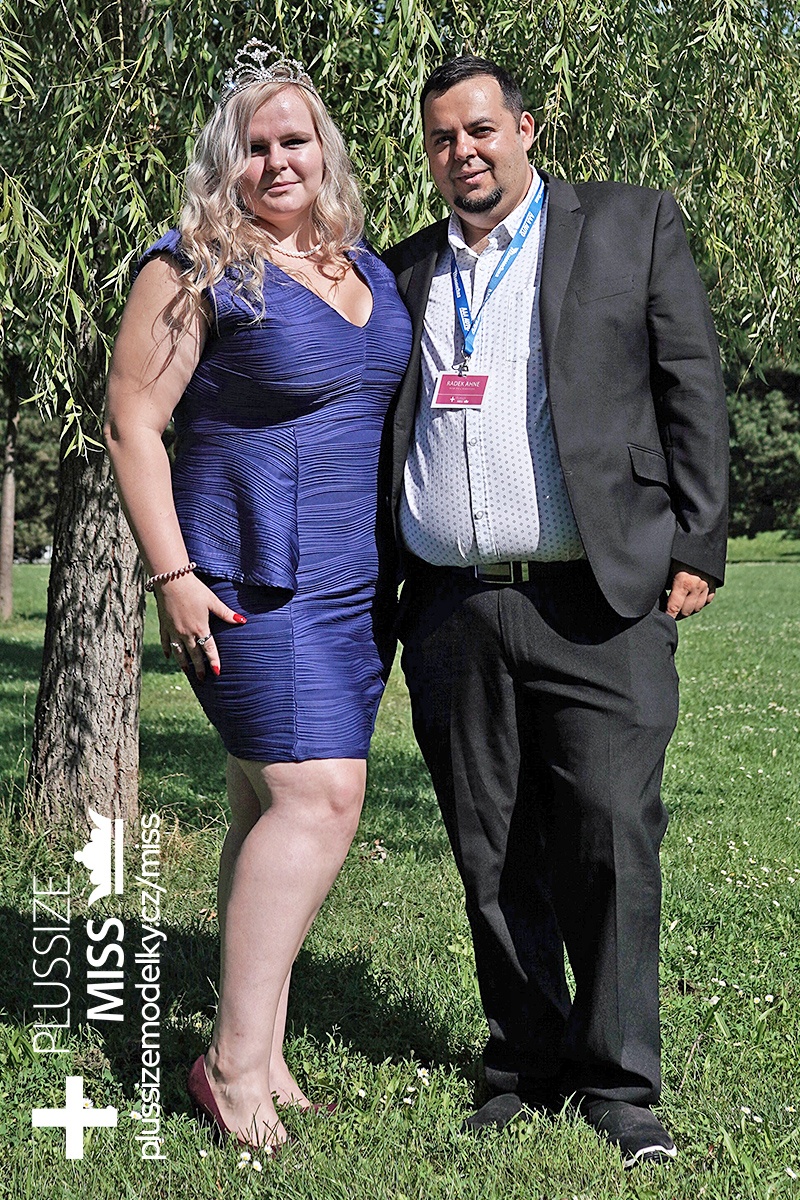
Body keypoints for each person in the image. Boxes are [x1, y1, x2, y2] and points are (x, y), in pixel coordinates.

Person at [381, 56, 728, 1167]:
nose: (462, 153)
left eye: (480, 129)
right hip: (453, 607)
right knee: (491, 850)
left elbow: (689, 381)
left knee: (610, 835)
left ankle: (620, 1086)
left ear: (526, 128)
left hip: (597, 597)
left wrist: (698, 539)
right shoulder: (406, 269)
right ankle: (524, 1065)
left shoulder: (629, 224)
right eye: (442, 138)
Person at [105, 40, 412, 1151]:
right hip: (246, 571)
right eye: (254, 146)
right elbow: (132, 422)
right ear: (222, 163)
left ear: (325, 150)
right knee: (318, 796)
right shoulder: (196, 264)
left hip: (351, 583)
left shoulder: (362, 265)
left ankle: (264, 1049)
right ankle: (229, 1070)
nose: (278, 162)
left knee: (261, 804)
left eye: (295, 140)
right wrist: (172, 574)